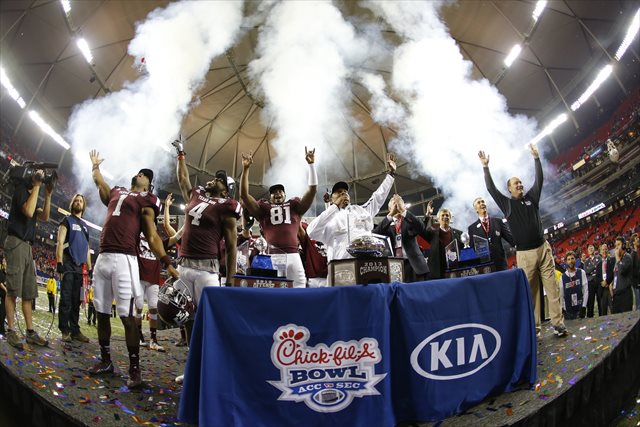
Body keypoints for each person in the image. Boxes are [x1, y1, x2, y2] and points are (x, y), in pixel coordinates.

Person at [88, 150, 178, 388]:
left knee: (128, 317)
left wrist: (167, 262)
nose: (141, 174)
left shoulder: (146, 201)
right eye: (140, 173)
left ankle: (134, 369)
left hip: (125, 259)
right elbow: (102, 186)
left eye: (146, 175)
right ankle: (106, 359)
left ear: (149, 186)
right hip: (103, 256)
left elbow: (151, 235)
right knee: (102, 312)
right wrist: (95, 168)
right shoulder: (117, 191)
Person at [478, 144, 567, 337]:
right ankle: (535, 329)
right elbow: (491, 189)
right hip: (525, 254)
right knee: (532, 294)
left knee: (552, 288)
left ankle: (558, 324)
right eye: (516, 184)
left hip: (543, 249)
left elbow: (539, 179)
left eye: (520, 183)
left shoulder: (531, 198)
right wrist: (485, 167)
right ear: (509, 189)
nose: (520, 185)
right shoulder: (507, 204)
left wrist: (536, 159)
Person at [174, 139, 241, 383]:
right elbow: (183, 181)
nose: (214, 179)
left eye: (220, 179)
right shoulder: (197, 195)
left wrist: (231, 278)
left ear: (226, 191)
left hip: (207, 269)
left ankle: (215, 370)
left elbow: (232, 245)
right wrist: (181, 154)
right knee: (187, 320)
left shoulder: (227, 206)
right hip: (185, 265)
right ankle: (194, 368)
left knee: (209, 322)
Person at [240, 148, 317, 288]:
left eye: (280, 191)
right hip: (272, 257)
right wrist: (246, 169)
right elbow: (244, 195)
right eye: (273, 192)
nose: (277, 194)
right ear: (269, 196)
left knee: (299, 293)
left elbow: (312, 190)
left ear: (285, 194)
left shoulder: (294, 205)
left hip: (293, 254)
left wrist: (311, 166)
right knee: (273, 294)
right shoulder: (263, 208)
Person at [307, 153, 397, 263]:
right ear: (331, 199)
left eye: (345, 192)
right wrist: (335, 207)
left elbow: (378, 197)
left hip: (367, 262)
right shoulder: (327, 218)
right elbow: (311, 231)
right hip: (341, 267)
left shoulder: (360, 210)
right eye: (339, 192)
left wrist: (391, 174)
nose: (343, 194)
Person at [4, 168, 54, 349]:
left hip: (27, 246)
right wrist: (38, 185)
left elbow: (45, 217)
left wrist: (47, 195)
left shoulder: (32, 193)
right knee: (13, 290)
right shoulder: (20, 190)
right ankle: (10, 330)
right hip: (16, 241)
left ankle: (30, 332)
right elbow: (28, 211)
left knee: (28, 292)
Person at [56, 193, 92, 343]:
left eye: (80, 201)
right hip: (69, 264)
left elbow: (87, 248)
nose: (78, 202)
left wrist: (89, 268)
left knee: (77, 300)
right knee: (66, 299)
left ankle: (75, 330)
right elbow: (59, 242)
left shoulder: (85, 226)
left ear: (83, 206)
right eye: (76, 200)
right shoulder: (66, 220)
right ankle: (65, 330)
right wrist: (59, 263)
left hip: (80, 268)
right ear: (72, 204)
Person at [373, 194, 430, 282]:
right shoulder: (386, 225)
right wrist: (391, 214)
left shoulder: (410, 221)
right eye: (394, 204)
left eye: (399, 203)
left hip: (413, 265)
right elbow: (375, 234)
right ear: (389, 209)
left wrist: (403, 210)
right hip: (393, 266)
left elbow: (420, 227)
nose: (397, 206)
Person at [467, 197, 514, 271]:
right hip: (484, 265)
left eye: (483, 201)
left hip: (500, 263)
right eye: (479, 203)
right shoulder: (472, 228)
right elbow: (472, 249)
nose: (482, 203)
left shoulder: (498, 221)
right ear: (476, 209)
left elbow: (511, 239)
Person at [136, 233, 164, 352]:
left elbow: (170, 240)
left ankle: (153, 339)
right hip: (140, 276)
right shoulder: (136, 234)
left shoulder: (157, 237)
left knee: (153, 307)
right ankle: (138, 335)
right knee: (138, 307)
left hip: (153, 278)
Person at [422, 204, 463, 280]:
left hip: (455, 270)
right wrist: (428, 215)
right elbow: (422, 230)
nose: (445, 217)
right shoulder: (432, 233)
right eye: (442, 215)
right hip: (437, 272)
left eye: (447, 215)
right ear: (438, 219)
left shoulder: (458, 233)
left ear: (450, 218)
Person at [559, 251, 588, 320]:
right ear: (566, 262)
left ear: (575, 259)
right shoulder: (562, 277)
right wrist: (562, 309)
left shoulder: (581, 272)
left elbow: (585, 291)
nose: (570, 261)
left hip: (580, 309)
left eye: (572, 258)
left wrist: (584, 307)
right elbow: (561, 295)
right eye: (568, 259)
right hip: (568, 311)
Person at [612, 237, 633, 313]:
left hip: (625, 295)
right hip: (617, 295)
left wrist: (617, 258)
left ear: (623, 246)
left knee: (626, 321)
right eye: (615, 245)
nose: (616, 248)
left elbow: (622, 271)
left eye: (618, 245)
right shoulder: (618, 260)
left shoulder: (627, 257)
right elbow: (616, 275)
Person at [583, 244, 601, 318]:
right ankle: (590, 317)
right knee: (590, 302)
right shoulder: (586, 261)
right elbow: (586, 271)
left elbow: (599, 268)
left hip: (598, 281)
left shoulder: (599, 257)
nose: (591, 249)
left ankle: (602, 316)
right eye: (589, 248)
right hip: (590, 283)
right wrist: (594, 266)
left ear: (594, 249)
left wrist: (591, 268)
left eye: (592, 248)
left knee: (600, 300)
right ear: (587, 251)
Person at [595, 243, 614, 315]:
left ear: (608, 250)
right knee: (603, 311)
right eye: (603, 249)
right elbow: (597, 277)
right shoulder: (599, 264)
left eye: (605, 249)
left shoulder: (612, 260)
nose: (604, 251)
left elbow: (613, 273)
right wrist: (602, 283)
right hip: (602, 290)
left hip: (610, 288)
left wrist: (607, 282)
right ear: (600, 252)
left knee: (612, 308)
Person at [630, 234, 640, 311]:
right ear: (633, 242)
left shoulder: (637, 253)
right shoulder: (632, 254)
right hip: (636, 281)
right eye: (636, 238)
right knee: (638, 302)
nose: (638, 239)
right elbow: (632, 269)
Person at [0, 257, 6, 336]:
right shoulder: (1, 272)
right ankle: (2, 331)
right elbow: (0, 283)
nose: (5, 263)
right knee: (1, 314)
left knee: (4, 314)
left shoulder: (9, 274)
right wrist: (6, 289)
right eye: (4, 262)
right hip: (1, 296)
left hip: (7, 298)